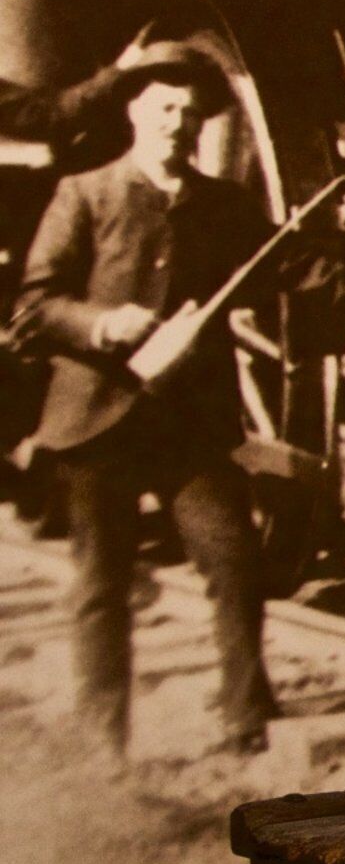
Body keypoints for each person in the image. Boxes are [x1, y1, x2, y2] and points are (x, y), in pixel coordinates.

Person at [10, 47, 277, 758]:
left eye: (189, 114)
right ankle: (106, 747)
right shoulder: (86, 193)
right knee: (102, 587)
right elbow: (36, 306)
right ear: (133, 111)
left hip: (188, 427)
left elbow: (298, 267)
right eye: (163, 108)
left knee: (233, 557)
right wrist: (100, 324)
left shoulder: (223, 205)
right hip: (98, 420)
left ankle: (243, 726)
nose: (176, 124)